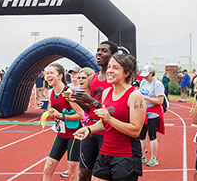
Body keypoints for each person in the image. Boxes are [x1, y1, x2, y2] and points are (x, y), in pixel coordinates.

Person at [74, 53, 146, 180]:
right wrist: (89, 129)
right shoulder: (106, 92)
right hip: (105, 152)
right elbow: (104, 123)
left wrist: (110, 119)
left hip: (126, 155)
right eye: (109, 67)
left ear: (126, 73)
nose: (110, 71)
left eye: (116, 68)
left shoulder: (134, 95)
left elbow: (135, 130)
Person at [71, 41, 118, 181]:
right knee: (84, 173)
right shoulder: (92, 79)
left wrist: (90, 100)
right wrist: (77, 100)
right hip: (91, 129)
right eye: (98, 50)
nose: (99, 53)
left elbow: (113, 109)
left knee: (102, 175)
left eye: (104, 50)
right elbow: (91, 109)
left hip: (107, 130)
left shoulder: (115, 80)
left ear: (113, 55)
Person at [42, 63, 84, 181]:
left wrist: (60, 115)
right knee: (47, 169)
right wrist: (47, 114)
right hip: (61, 134)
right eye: (47, 73)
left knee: (72, 172)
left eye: (51, 73)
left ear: (60, 76)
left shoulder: (68, 92)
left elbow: (80, 115)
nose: (48, 76)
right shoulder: (50, 92)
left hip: (75, 135)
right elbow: (53, 111)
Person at [139, 64, 165, 167]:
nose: (145, 77)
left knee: (152, 135)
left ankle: (154, 157)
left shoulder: (157, 84)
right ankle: (142, 156)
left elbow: (160, 100)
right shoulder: (143, 82)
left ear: (152, 73)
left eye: (147, 75)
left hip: (154, 113)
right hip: (143, 112)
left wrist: (146, 98)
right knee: (141, 135)